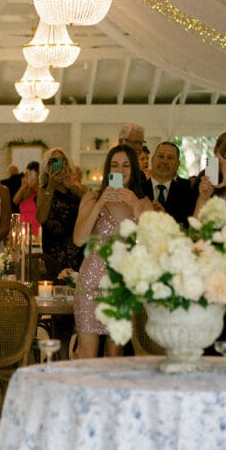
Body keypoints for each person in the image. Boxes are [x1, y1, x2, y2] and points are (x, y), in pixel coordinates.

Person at [73, 145, 152, 358]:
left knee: (114, 352)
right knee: (87, 352)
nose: (120, 170)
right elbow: (79, 240)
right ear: (108, 169)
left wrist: (135, 205)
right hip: (91, 282)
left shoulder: (144, 203)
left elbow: (151, 245)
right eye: (115, 165)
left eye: (126, 165)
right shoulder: (92, 198)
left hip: (122, 285)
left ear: (134, 169)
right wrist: (100, 204)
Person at [36, 147, 85, 274]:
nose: (59, 164)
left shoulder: (76, 189)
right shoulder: (43, 190)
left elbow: (90, 203)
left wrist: (71, 185)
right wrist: (51, 186)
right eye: (54, 161)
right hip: (53, 249)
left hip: (77, 248)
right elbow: (41, 218)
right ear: (48, 166)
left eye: (62, 161)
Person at [143, 141, 197, 224]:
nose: (164, 161)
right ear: (153, 160)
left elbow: (189, 226)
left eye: (170, 158)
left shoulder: (188, 195)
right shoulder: (138, 190)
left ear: (177, 164)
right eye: (161, 156)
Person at [13, 160, 40, 234]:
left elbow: (42, 201)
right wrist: (23, 186)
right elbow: (15, 201)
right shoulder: (25, 190)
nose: (30, 177)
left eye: (32, 175)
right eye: (28, 175)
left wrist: (35, 186)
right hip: (24, 227)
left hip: (37, 226)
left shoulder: (41, 190)